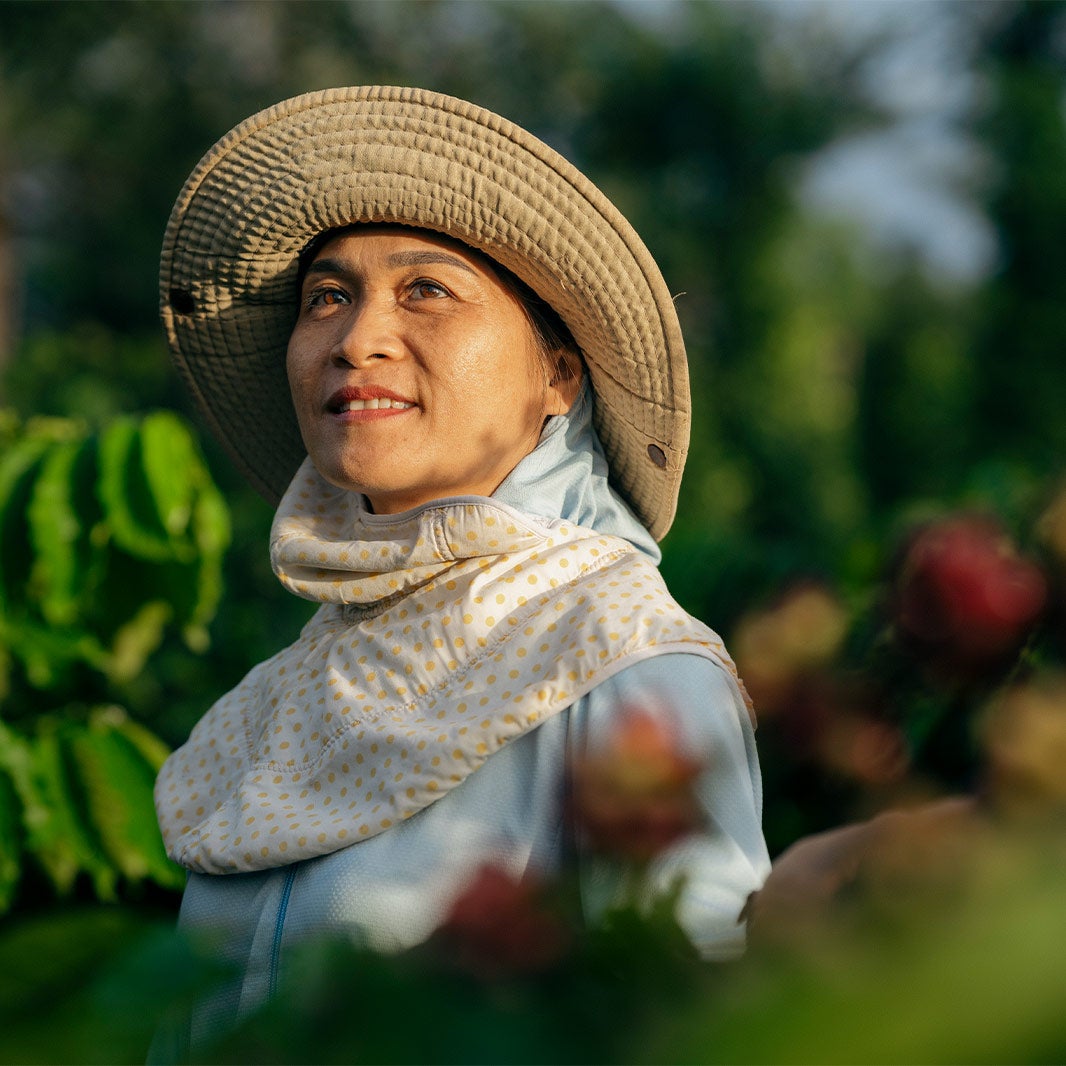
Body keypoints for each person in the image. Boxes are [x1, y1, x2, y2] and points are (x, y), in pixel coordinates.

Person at [153, 85, 769, 1052]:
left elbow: (695, 1021)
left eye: (427, 290)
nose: (357, 339)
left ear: (558, 377)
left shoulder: (621, 667)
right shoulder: (280, 699)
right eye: (327, 297)